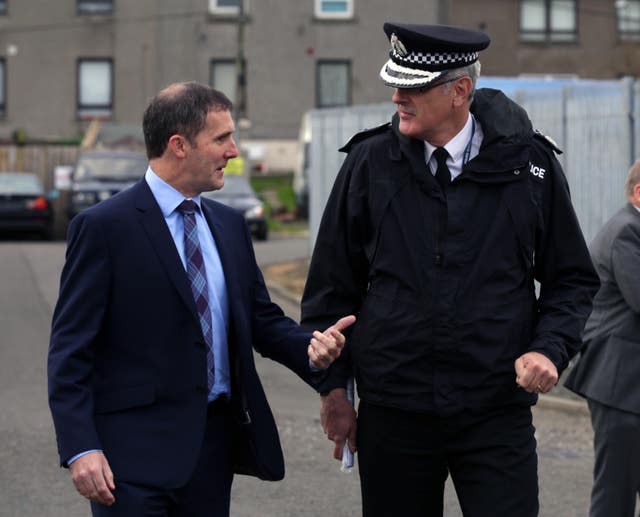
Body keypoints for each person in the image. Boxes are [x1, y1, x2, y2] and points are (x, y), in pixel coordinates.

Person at [301, 22, 599, 516]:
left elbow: (571, 278)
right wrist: (333, 389)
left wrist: (549, 348)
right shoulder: (370, 163)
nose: (398, 97)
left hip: (495, 411)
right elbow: (330, 288)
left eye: (412, 86)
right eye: (395, 83)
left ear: (460, 91)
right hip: (396, 412)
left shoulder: (528, 165)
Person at [48, 81, 355, 516]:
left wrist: (312, 348)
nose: (233, 151)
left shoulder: (229, 225)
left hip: (211, 454)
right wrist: (80, 448)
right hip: (129, 461)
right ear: (179, 145)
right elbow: (70, 351)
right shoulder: (104, 228)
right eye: (222, 138)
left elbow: (261, 320)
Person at [564, 161, 640, 517]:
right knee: (614, 494)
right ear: (638, 192)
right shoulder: (627, 232)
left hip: (629, 387)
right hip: (619, 384)